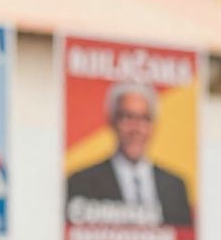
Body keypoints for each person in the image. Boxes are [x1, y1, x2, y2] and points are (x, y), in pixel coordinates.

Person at [65, 82, 193, 226]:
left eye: (144, 119)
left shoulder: (175, 186)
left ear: (153, 126)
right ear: (112, 122)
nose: (136, 128)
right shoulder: (80, 183)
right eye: (128, 117)